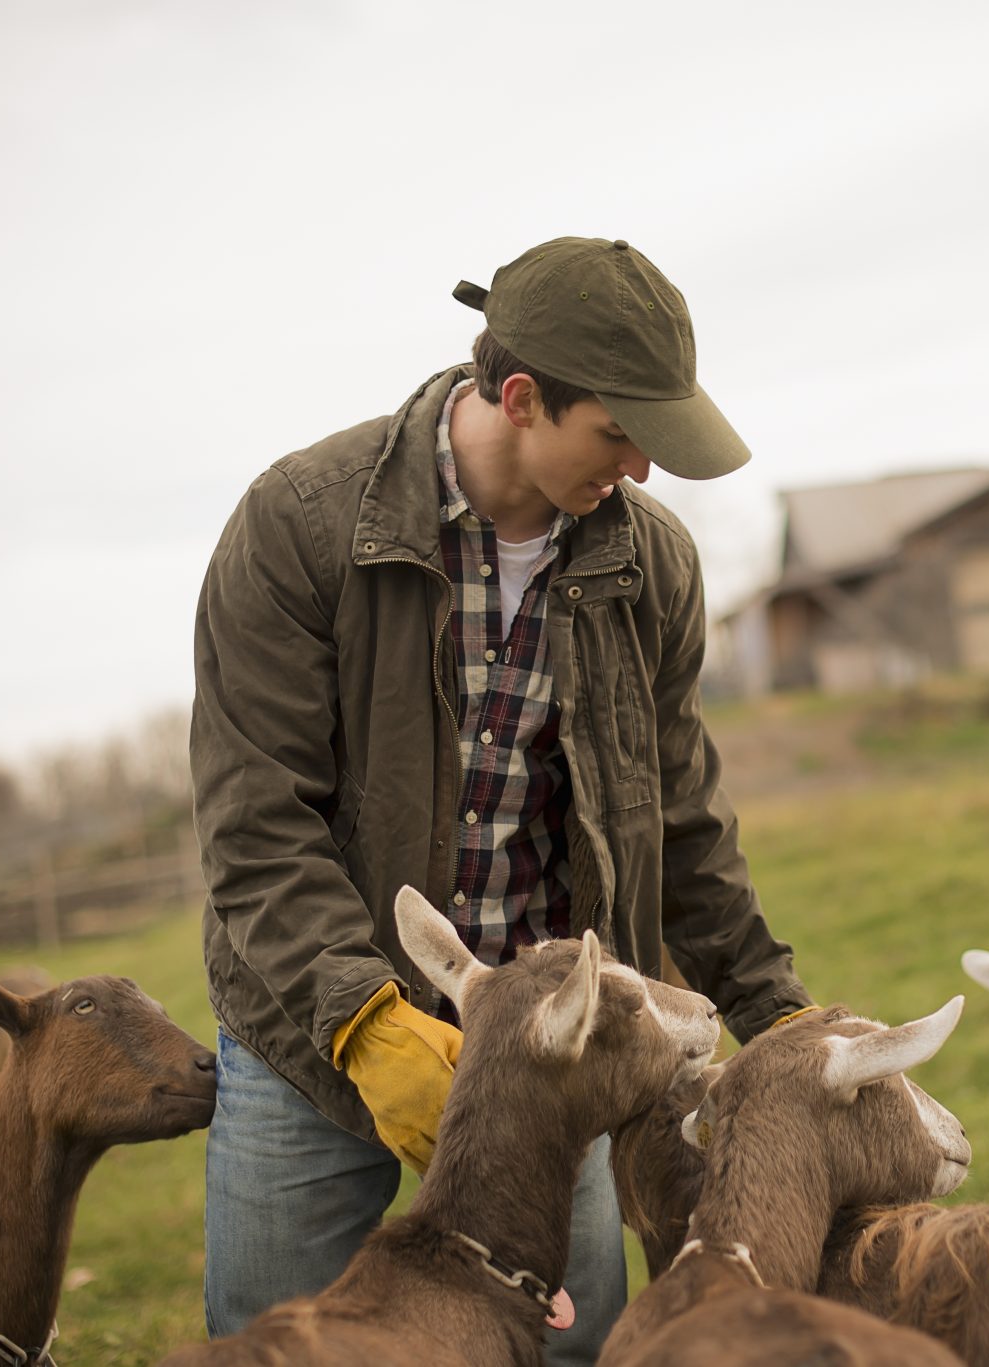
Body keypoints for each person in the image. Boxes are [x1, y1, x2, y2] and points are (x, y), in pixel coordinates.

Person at [189, 237, 814, 1359]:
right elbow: (256, 825)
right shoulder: (297, 525)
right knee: (269, 1347)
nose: (640, 470)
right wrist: (366, 1023)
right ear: (519, 397)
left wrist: (782, 1013)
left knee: (563, 1351)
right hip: (309, 1039)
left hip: (548, 1055)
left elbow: (681, 820)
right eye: (618, 433)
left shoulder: (651, 567)